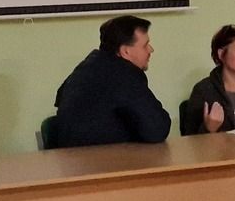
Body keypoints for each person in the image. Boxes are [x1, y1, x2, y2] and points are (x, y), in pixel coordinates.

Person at [54, 15, 171, 147]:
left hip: (71, 155)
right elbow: (157, 129)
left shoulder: (89, 66)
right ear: (125, 51)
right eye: (145, 45)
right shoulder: (124, 74)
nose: (151, 49)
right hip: (100, 157)